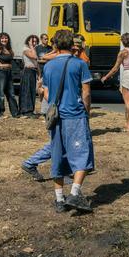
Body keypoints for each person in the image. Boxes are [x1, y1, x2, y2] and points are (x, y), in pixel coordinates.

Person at [42, 29, 94, 213]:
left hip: (56, 117)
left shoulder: (48, 66)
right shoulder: (80, 64)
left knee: (58, 155)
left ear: (55, 45)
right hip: (75, 115)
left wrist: (55, 105)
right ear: (72, 44)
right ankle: (74, 193)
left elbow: (45, 92)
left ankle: (59, 199)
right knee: (82, 154)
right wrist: (86, 111)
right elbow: (86, 92)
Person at [101, 33, 129, 131]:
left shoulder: (123, 52)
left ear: (123, 42)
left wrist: (106, 77)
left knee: (128, 103)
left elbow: (115, 68)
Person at [20, 35, 40, 117]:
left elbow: (36, 63)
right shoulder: (26, 49)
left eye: (35, 41)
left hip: (33, 71)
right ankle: (26, 110)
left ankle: (31, 110)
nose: (34, 43)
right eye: (32, 41)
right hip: (27, 71)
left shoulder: (33, 50)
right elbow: (34, 57)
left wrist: (39, 74)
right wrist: (31, 46)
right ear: (28, 41)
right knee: (27, 91)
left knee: (32, 91)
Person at [36, 33, 53, 113]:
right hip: (40, 70)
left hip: (47, 71)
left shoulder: (50, 48)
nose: (46, 40)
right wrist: (45, 60)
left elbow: (51, 59)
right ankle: (41, 101)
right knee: (39, 88)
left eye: (47, 39)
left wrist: (43, 59)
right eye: (45, 39)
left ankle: (44, 105)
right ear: (41, 39)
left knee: (45, 89)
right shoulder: (37, 48)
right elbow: (36, 59)